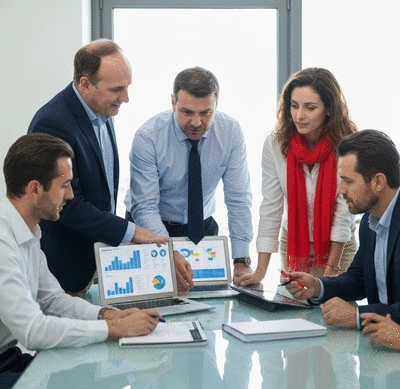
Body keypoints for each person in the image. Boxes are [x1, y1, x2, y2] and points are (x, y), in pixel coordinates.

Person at [0, 134, 162, 389]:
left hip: (9, 359)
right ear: (34, 189)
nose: (71, 194)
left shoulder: (28, 231)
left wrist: (107, 315)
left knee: (88, 380)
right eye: (64, 185)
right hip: (4, 368)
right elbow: (33, 331)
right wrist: (115, 329)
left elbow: (51, 299)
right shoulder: (2, 241)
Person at [28, 39, 168, 297]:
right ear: (85, 84)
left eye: (127, 87)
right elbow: (66, 204)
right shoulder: (52, 123)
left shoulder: (102, 108)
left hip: (96, 264)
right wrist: (132, 231)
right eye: (117, 89)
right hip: (64, 270)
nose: (126, 98)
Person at [124, 66, 253, 290]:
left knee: (207, 300)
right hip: (151, 227)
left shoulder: (230, 132)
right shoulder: (148, 137)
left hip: (201, 228)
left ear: (216, 106)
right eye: (187, 112)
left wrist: (241, 260)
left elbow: (238, 198)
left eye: (205, 113)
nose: (196, 122)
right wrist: (167, 251)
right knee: (153, 297)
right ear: (173, 103)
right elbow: (144, 206)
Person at [235, 67, 358, 288]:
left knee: (332, 310)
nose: (299, 115)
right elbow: (271, 206)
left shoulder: (347, 143)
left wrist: (330, 271)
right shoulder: (275, 144)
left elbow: (343, 210)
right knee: (297, 311)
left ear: (329, 109)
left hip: (337, 246)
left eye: (310, 107)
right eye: (294, 106)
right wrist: (260, 272)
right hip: (293, 244)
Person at [283, 129, 400, 330]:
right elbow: (359, 279)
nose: (340, 189)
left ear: (378, 182)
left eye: (348, 181)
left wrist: (357, 316)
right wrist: (317, 286)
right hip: (381, 346)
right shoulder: (369, 222)